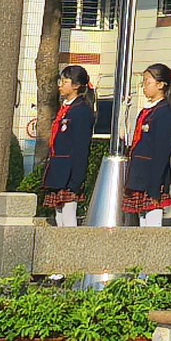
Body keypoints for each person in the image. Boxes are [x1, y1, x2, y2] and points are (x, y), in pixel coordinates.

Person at [38, 59, 100, 221]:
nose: (60, 85)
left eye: (65, 82)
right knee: (59, 216)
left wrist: (76, 180)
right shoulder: (66, 108)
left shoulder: (81, 111)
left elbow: (81, 147)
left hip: (70, 173)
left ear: (76, 85)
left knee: (68, 216)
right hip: (58, 170)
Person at [120, 62, 171, 221]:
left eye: (148, 82)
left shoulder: (165, 112)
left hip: (152, 176)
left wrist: (155, 185)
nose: (144, 86)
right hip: (138, 174)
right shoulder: (146, 111)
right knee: (141, 221)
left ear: (161, 85)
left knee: (152, 221)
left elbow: (162, 151)